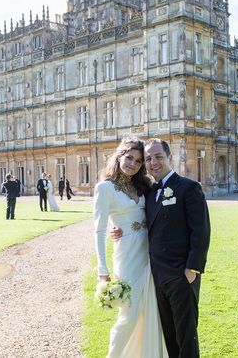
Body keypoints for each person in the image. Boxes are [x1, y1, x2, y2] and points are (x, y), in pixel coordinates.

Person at [111, 138, 211, 357]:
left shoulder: (188, 188)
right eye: (148, 159)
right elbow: (136, 220)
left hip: (181, 275)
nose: (153, 162)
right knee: (168, 335)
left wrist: (192, 269)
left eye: (158, 157)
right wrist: (116, 229)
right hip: (156, 276)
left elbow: (201, 231)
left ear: (169, 158)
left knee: (186, 335)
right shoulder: (148, 192)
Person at [94, 137, 168, 357]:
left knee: (150, 311)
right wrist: (102, 270)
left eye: (138, 161)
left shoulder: (143, 185)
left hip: (149, 255)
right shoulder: (105, 188)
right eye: (129, 158)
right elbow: (98, 230)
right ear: (119, 156)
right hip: (127, 256)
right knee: (129, 316)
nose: (133, 164)